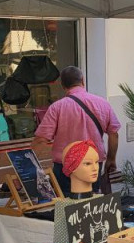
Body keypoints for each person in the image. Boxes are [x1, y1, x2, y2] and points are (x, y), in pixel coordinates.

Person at [33, 66, 121, 196]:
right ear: (83, 81)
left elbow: (41, 140)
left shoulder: (57, 107)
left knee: (66, 204)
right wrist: (111, 159)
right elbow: (114, 134)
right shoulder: (103, 103)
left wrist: (27, 166)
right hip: (93, 164)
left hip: (64, 166)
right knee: (91, 201)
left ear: (63, 85)